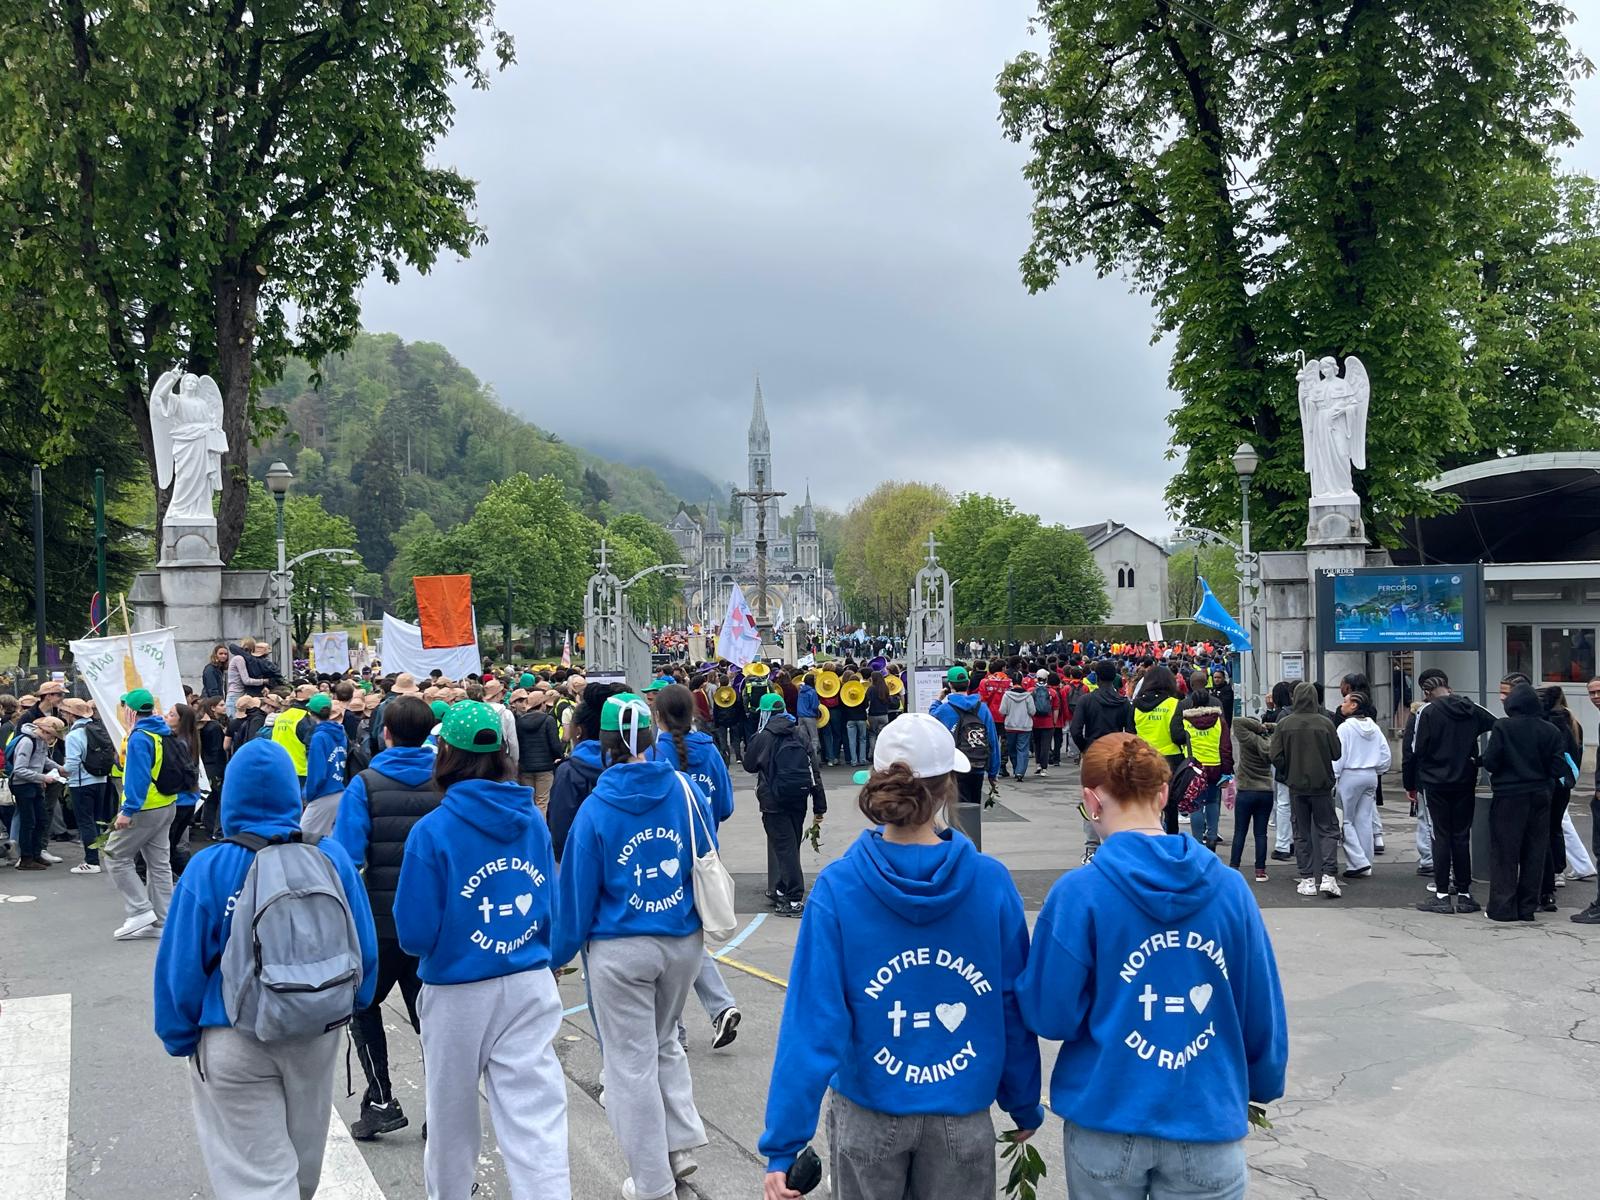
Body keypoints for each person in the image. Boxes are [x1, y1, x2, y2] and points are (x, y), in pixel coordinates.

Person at [758, 713, 1043, 1200]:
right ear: (948, 787)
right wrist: (1022, 1099)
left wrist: (784, 1142)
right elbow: (1010, 1003)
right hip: (960, 1109)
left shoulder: (839, 887)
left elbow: (812, 1020)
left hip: (870, 1107)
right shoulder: (990, 883)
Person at [1017, 733, 1287, 1200]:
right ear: (1163, 794)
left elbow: (1050, 1015)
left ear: (1091, 802)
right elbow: (1258, 1003)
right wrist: (1261, 1081)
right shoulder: (1230, 889)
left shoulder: (1079, 894)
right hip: (1205, 1112)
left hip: (1107, 1112)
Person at [152, 739, 378, 1200]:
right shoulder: (331, 857)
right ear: (292, 793)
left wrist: (179, 1035)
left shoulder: (209, 867)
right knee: (304, 1162)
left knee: (255, 1175)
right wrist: (352, 1000)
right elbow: (364, 946)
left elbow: (181, 966)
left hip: (234, 1032)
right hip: (316, 1027)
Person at [393, 701, 568, 1197]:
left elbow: (414, 933)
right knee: (535, 1115)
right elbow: (549, 903)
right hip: (528, 977)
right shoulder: (531, 819)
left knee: (450, 1117)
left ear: (444, 754)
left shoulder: (433, 831)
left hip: (457, 987)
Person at [551, 693, 712, 1200]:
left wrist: (556, 955)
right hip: (682, 940)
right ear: (652, 735)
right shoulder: (685, 790)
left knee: (629, 1064)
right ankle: (678, 1145)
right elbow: (707, 850)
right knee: (664, 1041)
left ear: (601, 742)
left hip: (620, 948)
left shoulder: (596, 809)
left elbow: (576, 896)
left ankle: (651, 1180)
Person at [331, 694, 441, 1139]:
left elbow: (348, 857)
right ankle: (440, 1109)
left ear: (386, 733)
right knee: (431, 1019)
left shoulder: (366, 783)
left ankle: (380, 1099)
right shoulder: (446, 780)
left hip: (378, 921)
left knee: (363, 1005)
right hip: (432, 921)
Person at [649, 683, 743, 1049]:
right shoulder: (712, 751)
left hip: (663, 857)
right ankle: (719, 1007)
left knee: (668, 939)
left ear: (658, 716)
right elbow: (726, 806)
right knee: (689, 937)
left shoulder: (656, 754)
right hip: (704, 855)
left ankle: (676, 1029)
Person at [1406, 669, 1496, 915]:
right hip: (1465, 779)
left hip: (1435, 782)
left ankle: (1442, 894)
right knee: (1461, 836)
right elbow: (1499, 726)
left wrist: (1414, 779)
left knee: (1440, 836)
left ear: (1427, 692)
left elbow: (1416, 749)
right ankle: (1465, 894)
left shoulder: (1427, 711)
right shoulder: (1471, 708)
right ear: (1449, 687)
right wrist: (1478, 759)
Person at [1482, 683, 1566, 923]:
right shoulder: (1550, 730)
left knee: (1505, 852)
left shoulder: (1503, 727)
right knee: (1535, 851)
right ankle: (1527, 907)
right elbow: (1558, 767)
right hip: (1540, 794)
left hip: (1509, 795)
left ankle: (1502, 907)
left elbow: (1491, 761)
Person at [104, 689, 180, 937]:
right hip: (167, 803)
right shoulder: (163, 731)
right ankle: (162, 921)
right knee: (159, 864)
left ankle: (140, 911)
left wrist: (127, 810)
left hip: (145, 807)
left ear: (131, 711)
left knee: (115, 856)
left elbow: (138, 777)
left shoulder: (139, 737)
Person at [743, 693, 826, 917]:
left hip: (773, 801)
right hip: (799, 798)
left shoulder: (763, 737)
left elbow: (749, 765)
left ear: (765, 713)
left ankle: (794, 899)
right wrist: (820, 805)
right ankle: (782, 887)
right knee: (791, 846)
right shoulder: (799, 733)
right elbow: (814, 771)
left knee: (784, 848)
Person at [1269, 681, 1343, 899]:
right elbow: (1336, 753)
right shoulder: (1325, 723)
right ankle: (1328, 876)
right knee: (1328, 829)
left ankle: (1307, 878)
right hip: (1322, 783)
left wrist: (1288, 770)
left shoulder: (1285, 724)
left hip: (1296, 784)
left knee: (1301, 832)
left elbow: (1275, 755)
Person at [1070, 661, 1136, 863]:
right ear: (1115, 678)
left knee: (1090, 800)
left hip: (1093, 753)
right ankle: (1114, 844)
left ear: (1096, 678)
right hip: (1115, 754)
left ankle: (1092, 848)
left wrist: (1085, 748)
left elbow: (1075, 730)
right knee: (1116, 799)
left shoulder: (1086, 700)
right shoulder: (1124, 703)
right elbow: (1131, 732)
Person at [548, 681, 619, 861]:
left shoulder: (569, 771)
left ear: (578, 731)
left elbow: (560, 830)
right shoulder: (628, 762)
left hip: (583, 862)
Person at [1334, 692, 1391, 880]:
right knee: (1364, 820)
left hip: (1350, 775)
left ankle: (1358, 862)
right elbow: (1385, 756)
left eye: (1345, 701)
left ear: (1354, 705)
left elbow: (1339, 756)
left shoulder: (1345, 728)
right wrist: (1377, 769)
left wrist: (1334, 776)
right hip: (1370, 775)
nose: (1342, 705)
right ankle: (1366, 862)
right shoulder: (1374, 727)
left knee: (1344, 820)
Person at [930, 666, 1001, 813]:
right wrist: (993, 772)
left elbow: (932, 718)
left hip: (955, 767)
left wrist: (938, 699)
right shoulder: (982, 708)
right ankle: (972, 828)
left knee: (957, 811)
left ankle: (958, 828)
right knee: (973, 809)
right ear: (968, 683)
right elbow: (992, 741)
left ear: (949, 685)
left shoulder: (944, 710)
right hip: (978, 765)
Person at [1171, 685, 1232, 850]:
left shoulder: (1187, 721)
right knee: (1213, 802)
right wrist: (1227, 772)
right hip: (1215, 767)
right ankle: (1212, 837)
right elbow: (1225, 747)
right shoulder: (1219, 721)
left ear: (1192, 703)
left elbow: (1177, 737)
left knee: (1196, 805)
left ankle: (1198, 843)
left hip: (1195, 768)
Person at [1538, 687, 1582, 910]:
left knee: (1546, 828)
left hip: (1551, 781)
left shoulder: (1549, 722)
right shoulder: (1572, 720)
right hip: (1565, 782)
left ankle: (1551, 871)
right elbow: (1577, 752)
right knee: (1556, 826)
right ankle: (1559, 870)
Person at [61, 699, 113, 875]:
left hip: (81, 782)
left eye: (64, 713)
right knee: (96, 820)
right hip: (101, 779)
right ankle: (97, 854)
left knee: (85, 822)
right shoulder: (99, 730)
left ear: (71, 715)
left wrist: (61, 771)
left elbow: (72, 764)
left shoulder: (73, 735)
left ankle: (91, 861)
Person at [9, 714, 67, 870]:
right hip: (23, 785)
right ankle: (26, 858)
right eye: (52, 736)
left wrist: (59, 768)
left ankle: (35, 854)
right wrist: (43, 777)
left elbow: (43, 760)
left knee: (41, 819)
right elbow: (19, 769)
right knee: (29, 822)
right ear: (45, 732)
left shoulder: (39, 741)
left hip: (34, 783)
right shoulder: (27, 742)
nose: (52, 740)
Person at [1131, 666, 1183, 831]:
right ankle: (1171, 837)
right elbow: (1177, 735)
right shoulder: (1174, 704)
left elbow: (1130, 733)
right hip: (1170, 758)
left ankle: (1147, 832)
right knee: (1170, 803)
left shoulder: (1135, 705)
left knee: (1145, 800)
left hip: (1143, 756)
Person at [1229, 707, 1275, 882]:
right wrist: (1267, 727)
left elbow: (1237, 721)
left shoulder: (1247, 739)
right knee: (1261, 833)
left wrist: (1259, 726)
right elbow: (1280, 727)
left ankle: (1234, 867)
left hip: (1246, 791)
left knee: (1240, 832)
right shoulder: (1270, 741)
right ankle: (1260, 871)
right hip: (1266, 791)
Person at [299, 693, 349, 839]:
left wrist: (308, 794)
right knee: (328, 839)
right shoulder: (341, 732)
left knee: (303, 839)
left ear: (311, 713)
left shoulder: (319, 737)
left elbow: (317, 772)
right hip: (339, 789)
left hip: (323, 793)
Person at [164, 703, 204, 877]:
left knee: (169, 841)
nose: (167, 716)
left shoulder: (178, 742)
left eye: (172, 714)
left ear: (181, 721)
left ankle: (170, 874)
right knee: (175, 840)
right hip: (189, 797)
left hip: (179, 798)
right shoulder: (190, 739)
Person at [514, 686, 565, 815]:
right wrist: (559, 756)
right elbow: (554, 744)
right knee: (542, 801)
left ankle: (529, 825)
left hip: (525, 766)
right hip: (545, 767)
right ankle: (541, 826)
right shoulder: (548, 720)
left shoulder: (519, 721)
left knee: (529, 801)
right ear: (541, 704)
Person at [999, 673, 1036, 782]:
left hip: (1010, 726)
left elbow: (1002, 711)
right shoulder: (1028, 696)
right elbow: (1032, 711)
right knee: (1023, 749)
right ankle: (1020, 771)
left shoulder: (1007, 695)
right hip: (1025, 726)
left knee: (1012, 749)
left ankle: (1016, 768)